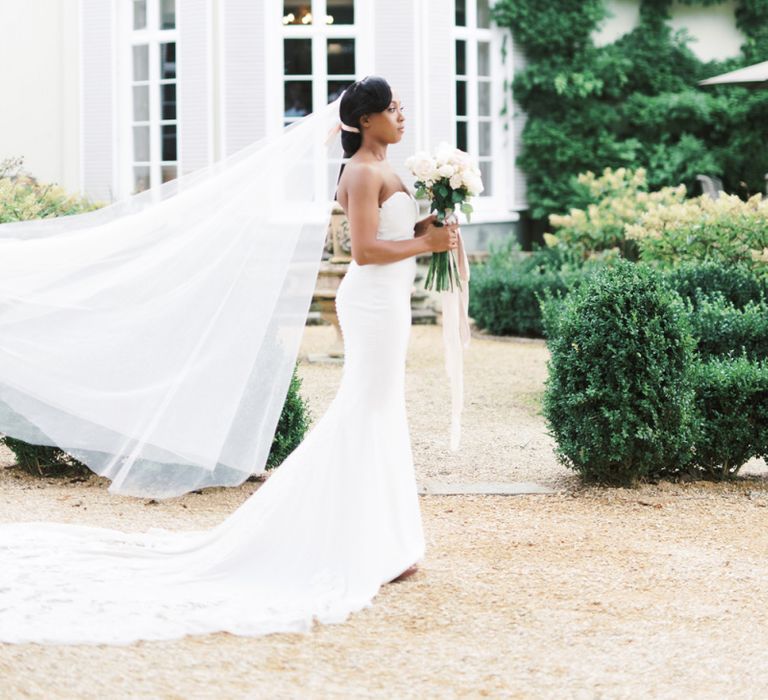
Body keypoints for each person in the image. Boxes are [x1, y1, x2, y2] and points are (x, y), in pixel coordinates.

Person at [0, 76, 458, 645]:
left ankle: (386, 540)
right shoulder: (361, 173)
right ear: (365, 121)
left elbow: (391, 234)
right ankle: (347, 538)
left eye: (400, 106)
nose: (402, 114)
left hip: (390, 305)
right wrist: (423, 245)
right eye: (392, 108)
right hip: (371, 303)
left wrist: (424, 229)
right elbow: (364, 251)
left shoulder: (386, 169)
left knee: (382, 410)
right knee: (365, 409)